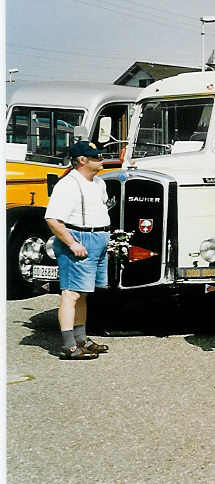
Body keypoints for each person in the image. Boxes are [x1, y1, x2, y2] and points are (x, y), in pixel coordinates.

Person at [44, 140, 111, 360]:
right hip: (80, 240)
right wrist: (72, 243)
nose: (101, 159)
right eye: (96, 156)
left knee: (82, 293)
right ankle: (69, 346)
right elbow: (53, 219)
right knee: (71, 293)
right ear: (82, 160)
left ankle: (81, 339)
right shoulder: (68, 184)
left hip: (97, 239)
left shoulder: (98, 183)